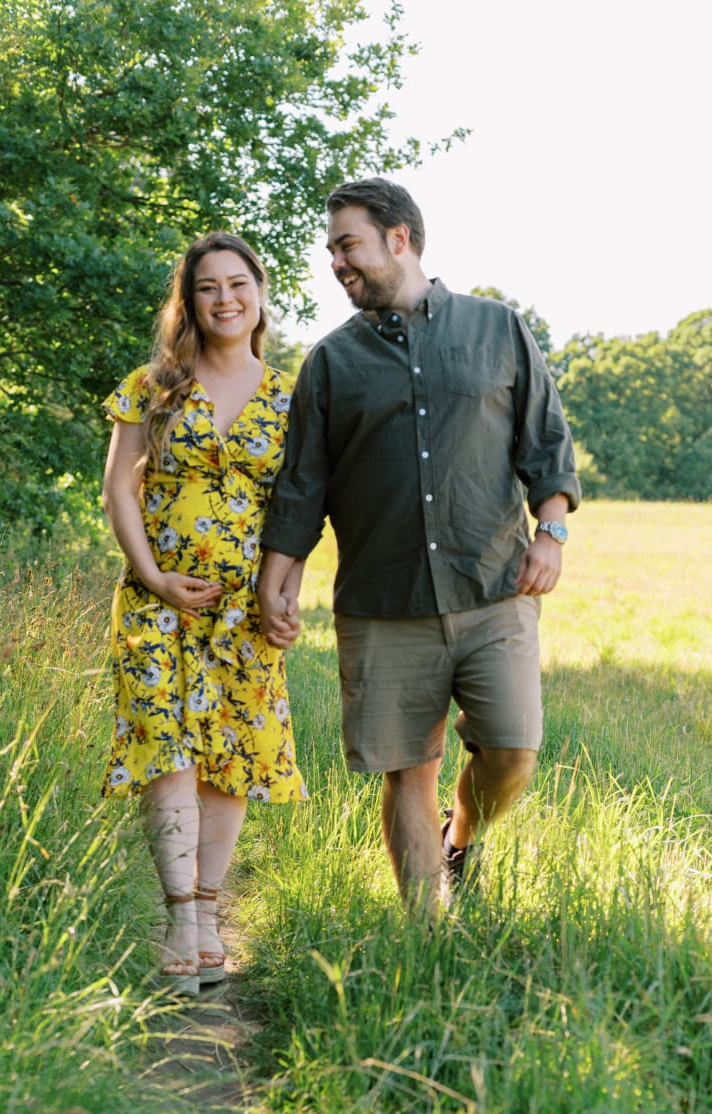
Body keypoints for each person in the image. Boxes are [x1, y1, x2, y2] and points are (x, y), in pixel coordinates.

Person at [258, 178, 580, 918]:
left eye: (348, 245)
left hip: (493, 586)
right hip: (383, 601)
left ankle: (460, 838)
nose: (337, 262)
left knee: (512, 753)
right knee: (408, 769)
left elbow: (546, 440)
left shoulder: (497, 328)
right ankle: (426, 936)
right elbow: (302, 487)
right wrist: (279, 581)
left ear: (398, 238)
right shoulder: (331, 363)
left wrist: (552, 530)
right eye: (332, 248)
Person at [101, 232, 307, 995]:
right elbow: (120, 488)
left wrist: (285, 593)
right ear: (187, 302)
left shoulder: (294, 396)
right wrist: (152, 576)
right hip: (157, 604)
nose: (225, 299)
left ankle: (212, 912)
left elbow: (302, 505)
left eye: (237, 283)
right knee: (167, 754)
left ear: (259, 291)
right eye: (207, 287)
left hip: (244, 611)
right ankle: (180, 917)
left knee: (229, 762)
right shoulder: (154, 384)